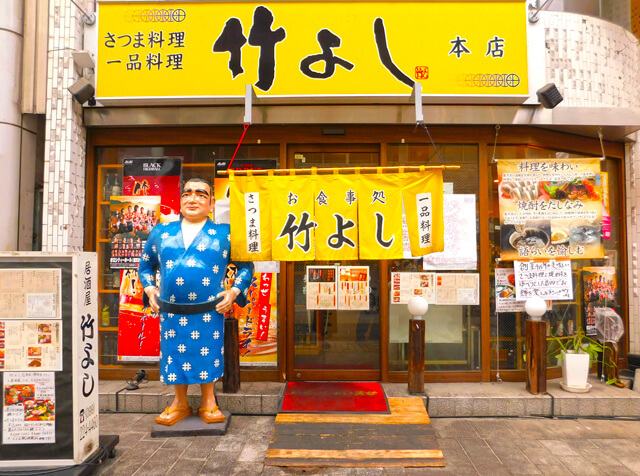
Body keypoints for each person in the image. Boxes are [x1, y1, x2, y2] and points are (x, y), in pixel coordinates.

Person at [138, 178, 254, 426]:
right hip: (171, 310)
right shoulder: (161, 232)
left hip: (209, 310)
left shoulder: (226, 233)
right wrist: (149, 290)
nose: (193, 198)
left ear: (212, 204)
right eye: (187, 194)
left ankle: (208, 401)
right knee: (173, 354)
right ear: (180, 201)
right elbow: (146, 265)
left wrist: (233, 293)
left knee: (208, 354)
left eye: (201, 195)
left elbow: (246, 268)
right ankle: (179, 401)